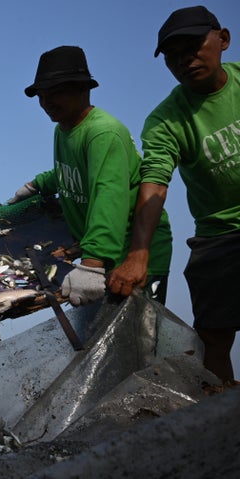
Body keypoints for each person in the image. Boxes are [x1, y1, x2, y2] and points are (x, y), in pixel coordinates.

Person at [108, 6, 238, 386]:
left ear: (223, 40)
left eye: (195, 45)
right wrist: (138, 254)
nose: (186, 59)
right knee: (213, 337)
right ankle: (225, 425)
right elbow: (155, 181)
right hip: (219, 234)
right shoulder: (166, 119)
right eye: (172, 55)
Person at [9, 46, 173, 306]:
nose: (47, 102)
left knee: (138, 340)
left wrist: (92, 264)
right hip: (101, 253)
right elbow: (71, 169)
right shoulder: (63, 128)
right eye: (42, 95)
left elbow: (109, 196)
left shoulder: (103, 133)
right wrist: (37, 184)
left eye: (57, 92)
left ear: (84, 89)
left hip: (134, 255)